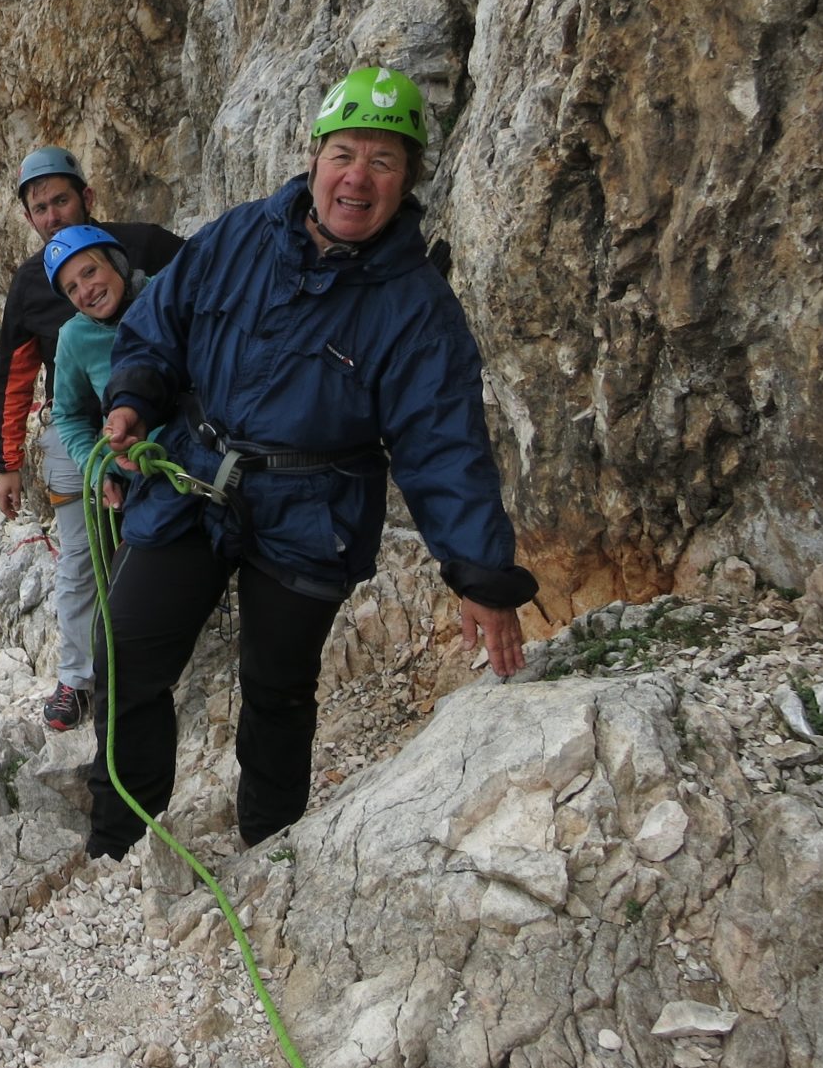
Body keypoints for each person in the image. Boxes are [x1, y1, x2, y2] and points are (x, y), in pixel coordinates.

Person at [87, 65, 537, 858]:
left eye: (383, 161)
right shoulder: (237, 237)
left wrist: (482, 576)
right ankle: (123, 836)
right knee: (124, 653)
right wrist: (133, 397)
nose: (357, 177)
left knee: (278, 688)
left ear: (407, 182)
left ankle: (268, 846)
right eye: (344, 154)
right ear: (315, 157)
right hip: (194, 473)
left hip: (311, 508)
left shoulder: (417, 308)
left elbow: (444, 444)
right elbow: (159, 324)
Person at [0, 148, 184, 731]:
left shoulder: (147, 245)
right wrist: (8, 462)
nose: (51, 215)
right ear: (29, 219)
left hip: (167, 422)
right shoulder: (30, 285)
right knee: (79, 554)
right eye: (39, 208)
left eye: (60, 200)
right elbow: (15, 372)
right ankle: (77, 678)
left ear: (87, 199)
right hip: (80, 431)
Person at [45, 225, 145, 518]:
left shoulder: (164, 296)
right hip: (136, 479)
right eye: (72, 288)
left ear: (117, 263)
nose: (85, 291)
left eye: (89, 272)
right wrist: (96, 470)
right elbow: (67, 414)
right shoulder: (75, 337)